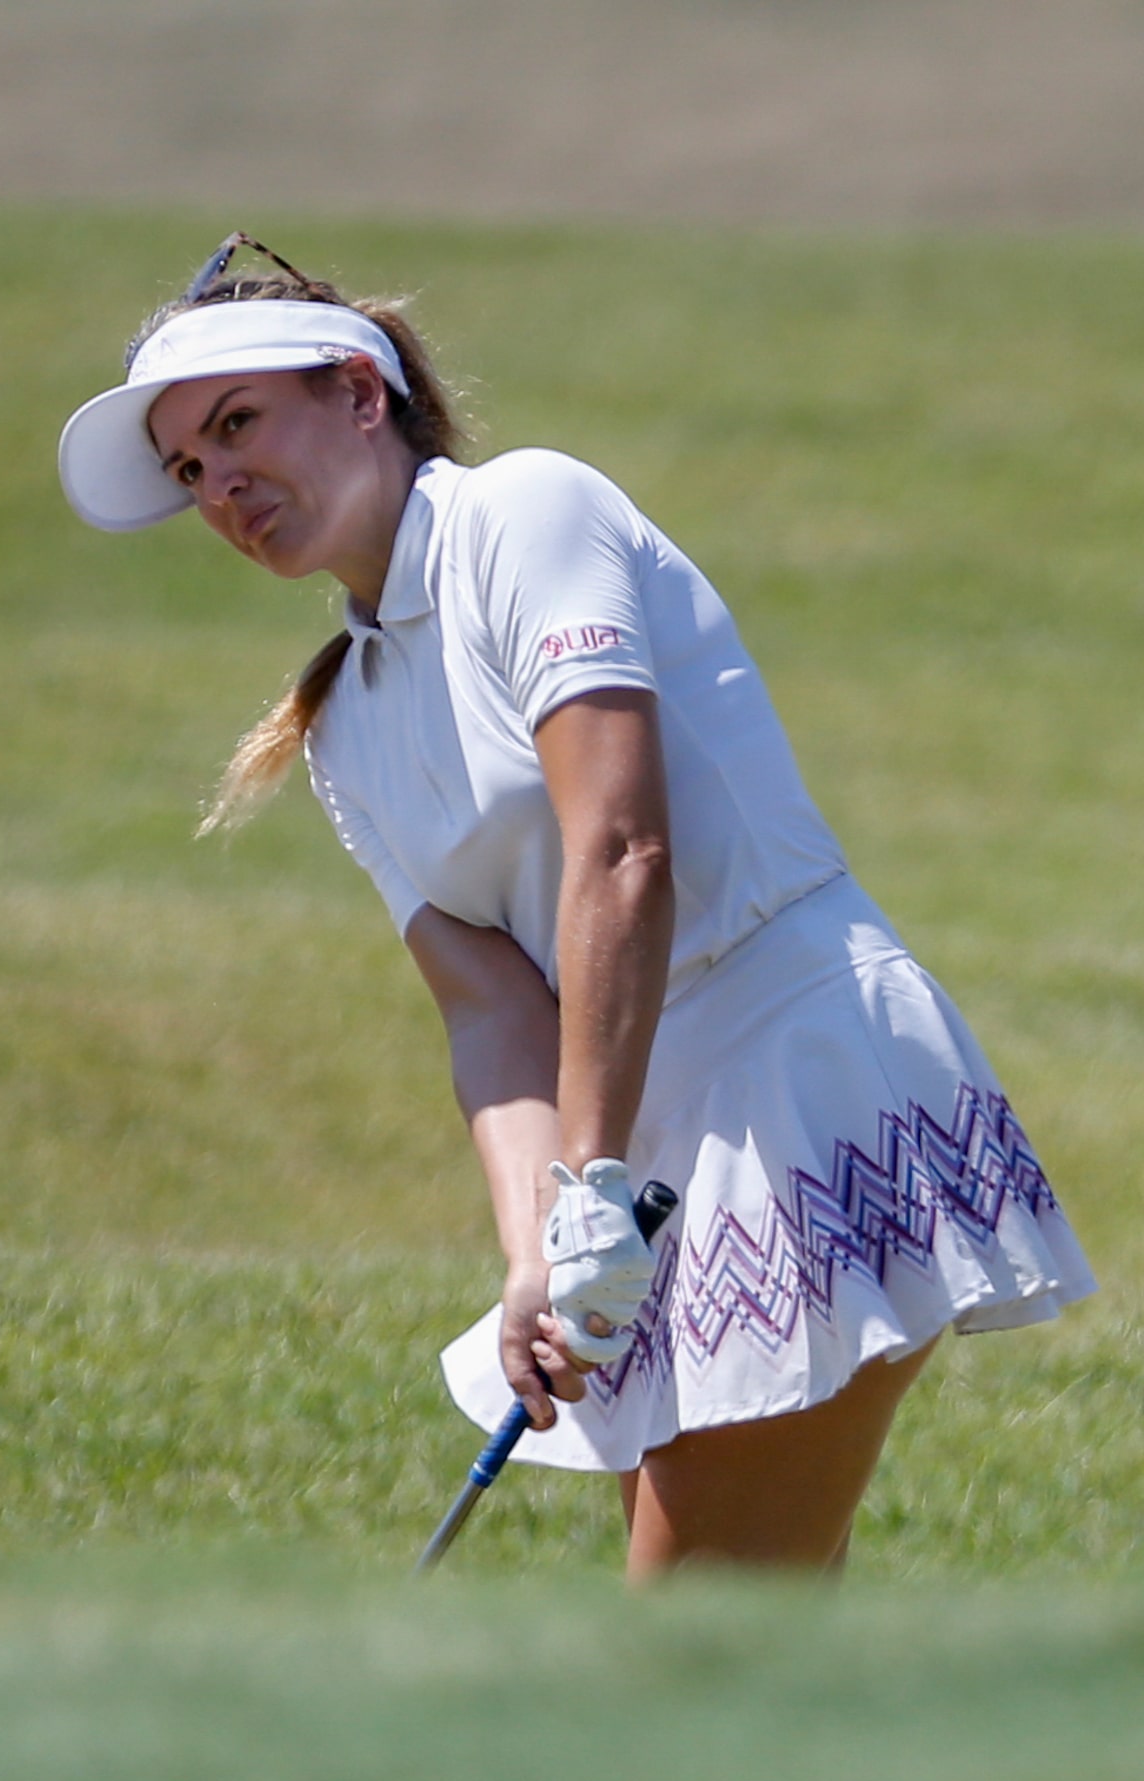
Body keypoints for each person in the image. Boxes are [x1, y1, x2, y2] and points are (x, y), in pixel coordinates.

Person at [56, 235, 1096, 1577]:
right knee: (741, 1629)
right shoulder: (343, 728)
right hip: (646, 1161)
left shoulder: (524, 515)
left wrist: (592, 1189)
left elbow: (623, 851)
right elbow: (488, 1010)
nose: (222, 484)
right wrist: (542, 1253)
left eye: (239, 423)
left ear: (361, 394)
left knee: (698, 1632)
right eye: (191, 469)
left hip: (795, 1075)